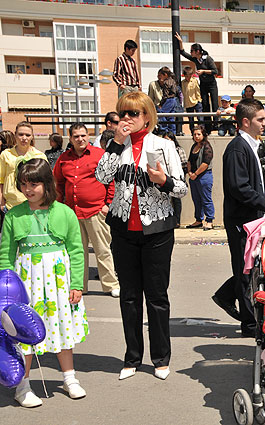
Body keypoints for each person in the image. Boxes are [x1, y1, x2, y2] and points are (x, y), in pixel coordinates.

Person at [95, 91, 188, 381]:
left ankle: (160, 358)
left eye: (133, 114)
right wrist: (117, 143)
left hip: (156, 230)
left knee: (157, 297)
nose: (126, 119)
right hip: (123, 230)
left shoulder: (163, 146)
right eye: (122, 114)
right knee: (129, 297)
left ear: (146, 116)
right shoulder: (114, 146)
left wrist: (164, 181)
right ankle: (132, 357)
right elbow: (101, 176)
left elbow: (182, 189)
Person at [0, 158, 88, 407]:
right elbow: (6, 255)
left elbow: (77, 251)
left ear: (47, 184)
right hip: (26, 284)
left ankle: (69, 378)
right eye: (24, 184)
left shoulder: (65, 212)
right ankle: (23, 385)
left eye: (34, 184)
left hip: (59, 283)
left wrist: (76, 284)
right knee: (23, 332)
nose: (28, 189)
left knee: (61, 329)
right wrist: (6, 292)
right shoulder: (13, 216)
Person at [213, 99, 265, 338]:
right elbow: (239, 187)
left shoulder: (253, 145)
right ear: (245, 122)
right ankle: (249, 323)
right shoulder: (238, 148)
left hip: (252, 219)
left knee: (252, 268)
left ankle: (226, 295)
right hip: (242, 221)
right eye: (260, 119)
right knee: (246, 270)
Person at [53, 122, 119, 297]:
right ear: (71, 138)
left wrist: (108, 204)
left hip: (96, 210)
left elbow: (111, 181)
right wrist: (58, 207)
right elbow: (58, 183)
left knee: (102, 250)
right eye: (76, 136)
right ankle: (79, 286)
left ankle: (111, 284)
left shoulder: (100, 155)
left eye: (83, 135)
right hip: (72, 213)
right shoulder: (64, 158)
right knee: (77, 252)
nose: (80, 139)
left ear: (88, 136)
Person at [176, 34, 219, 134]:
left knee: (214, 103)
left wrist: (203, 71)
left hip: (211, 84)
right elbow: (183, 53)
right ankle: (208, 127)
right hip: (203, 84)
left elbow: (215, 71)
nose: (191, 53)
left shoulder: (207, 59)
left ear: (197, 51)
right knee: (205, 105)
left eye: (192, 51)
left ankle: (216, 124)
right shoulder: (195, 59)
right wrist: (181, 42)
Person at [0, 122, 46, 211]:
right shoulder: (5, 154)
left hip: (34, 206)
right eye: (21, 134)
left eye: (27, 135)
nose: (24, 138)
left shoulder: (39, 156)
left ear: (32, 137)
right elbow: (1, 180)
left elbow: (46, 182)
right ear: (15, 135)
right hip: (10, 206)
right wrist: (2, 203)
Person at [186, 125, 215, 230]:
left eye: (199, 134)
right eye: (194, 134)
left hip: (204, 176)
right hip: (193, 177)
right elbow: (189, 161)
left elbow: (206, 163)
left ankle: (209, 220)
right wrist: (189, 172)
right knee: (196, 199)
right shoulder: (194, 146)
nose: (196, 136)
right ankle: (198, 220)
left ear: (203, 135)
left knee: (206, 199)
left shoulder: (207, 146)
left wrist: (196, 174)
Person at [161, 131, 188, 228]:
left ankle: (177, 220)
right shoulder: (160, 150)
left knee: (176, 200)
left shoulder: (178, 150)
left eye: (168, 139)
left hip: (175, 178)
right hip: (163, 178)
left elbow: (184, 165)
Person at [157, 67, 180, 134]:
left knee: (162, 114)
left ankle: (164, 130)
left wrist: (161, 104)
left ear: (165, 75)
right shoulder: (173, 80)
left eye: (161, 75)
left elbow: (165, 95)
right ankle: (173, 132)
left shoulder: (166, 82)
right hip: (174, 100)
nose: (160, 77)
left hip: (168, 100)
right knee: (171, 117)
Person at [181, 66, 203, 134]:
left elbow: (197, 91)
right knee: (191, 119)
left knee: (200, 118)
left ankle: (201, 131)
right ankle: (192, 132)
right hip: (188, 103)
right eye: (187, 76)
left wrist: (199, 100)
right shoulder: (182, 83)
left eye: (190, 75)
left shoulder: (194, 81)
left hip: (196, 101)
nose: (188, 77)